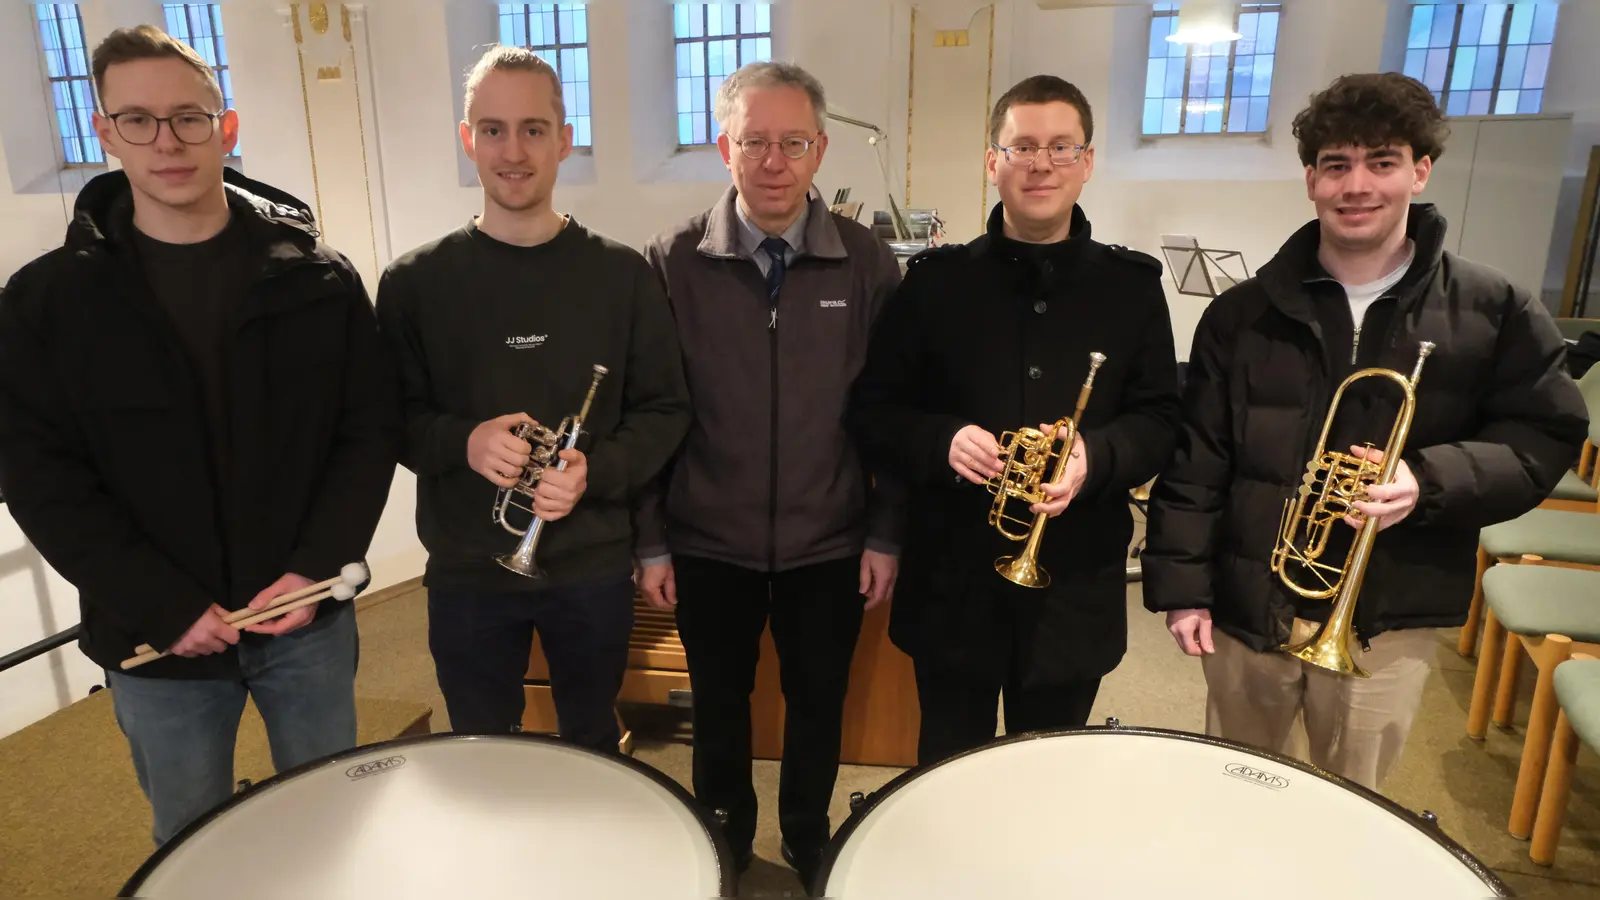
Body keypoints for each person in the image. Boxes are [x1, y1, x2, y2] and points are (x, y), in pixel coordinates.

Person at [0, 26, 398, 845]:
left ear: (228, 126)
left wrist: (314, 565)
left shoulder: (317, 277)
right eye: (138, 120)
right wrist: (165, 604)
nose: (167, 141)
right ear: (105, 132)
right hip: (154, 634)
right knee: (191, 838)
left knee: (332, 822)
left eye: (189, 117)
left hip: (302, 616)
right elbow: (41, 478)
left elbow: (365, 430)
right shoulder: (45, 302)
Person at [1143, 72, 1589, 791]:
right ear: (1311, 181)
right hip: (1247, 604)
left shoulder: (1493, 307)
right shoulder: (1242, 314)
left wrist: (1429, 477)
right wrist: (1184, 587)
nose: (1358, 185)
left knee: (1350, 808)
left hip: (1390, 614)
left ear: (1420, 169)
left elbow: (1544, 435)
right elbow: (1199, 460)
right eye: (1336, 165)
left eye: (1381, 162)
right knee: (1229, 795)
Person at [849, 75, 1181, 768]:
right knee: (945, 769)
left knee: (1047, 781)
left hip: (1073, 590)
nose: (1040, 164)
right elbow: (875, 410)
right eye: (1022, 146)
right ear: (991, 160)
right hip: (953, 589)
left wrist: (1100, 456)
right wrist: (940, 439)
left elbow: (1160, 419)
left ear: (1087, 163)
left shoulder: (1132, 288)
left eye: (1062, 147)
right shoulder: (935, 284)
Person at [375, 46, 690, 753]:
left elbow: (666, 410)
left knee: (590, 742)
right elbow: (390, 422)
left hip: (590, 564)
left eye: (532, 129)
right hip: (466, 567)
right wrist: (463, 441)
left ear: (564, 140)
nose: (512, 151)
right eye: (492, 130)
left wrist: (594, 472)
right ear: (468, 140)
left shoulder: (622, 275)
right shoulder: (413, 283)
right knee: (482, 749)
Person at [637, 61, 902, 890]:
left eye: (794, 142)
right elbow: (650, 413)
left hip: (831, 540)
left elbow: (892, 413)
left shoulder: (867, 264)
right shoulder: (673, 261)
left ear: (821, 149)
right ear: (726, 147)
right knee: (717, 708)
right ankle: (724, 832)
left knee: (817, 705)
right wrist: (651, 542)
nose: (775, 161)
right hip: (708, 540)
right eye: (756, 141)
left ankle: (805, 831)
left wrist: (886, 531)